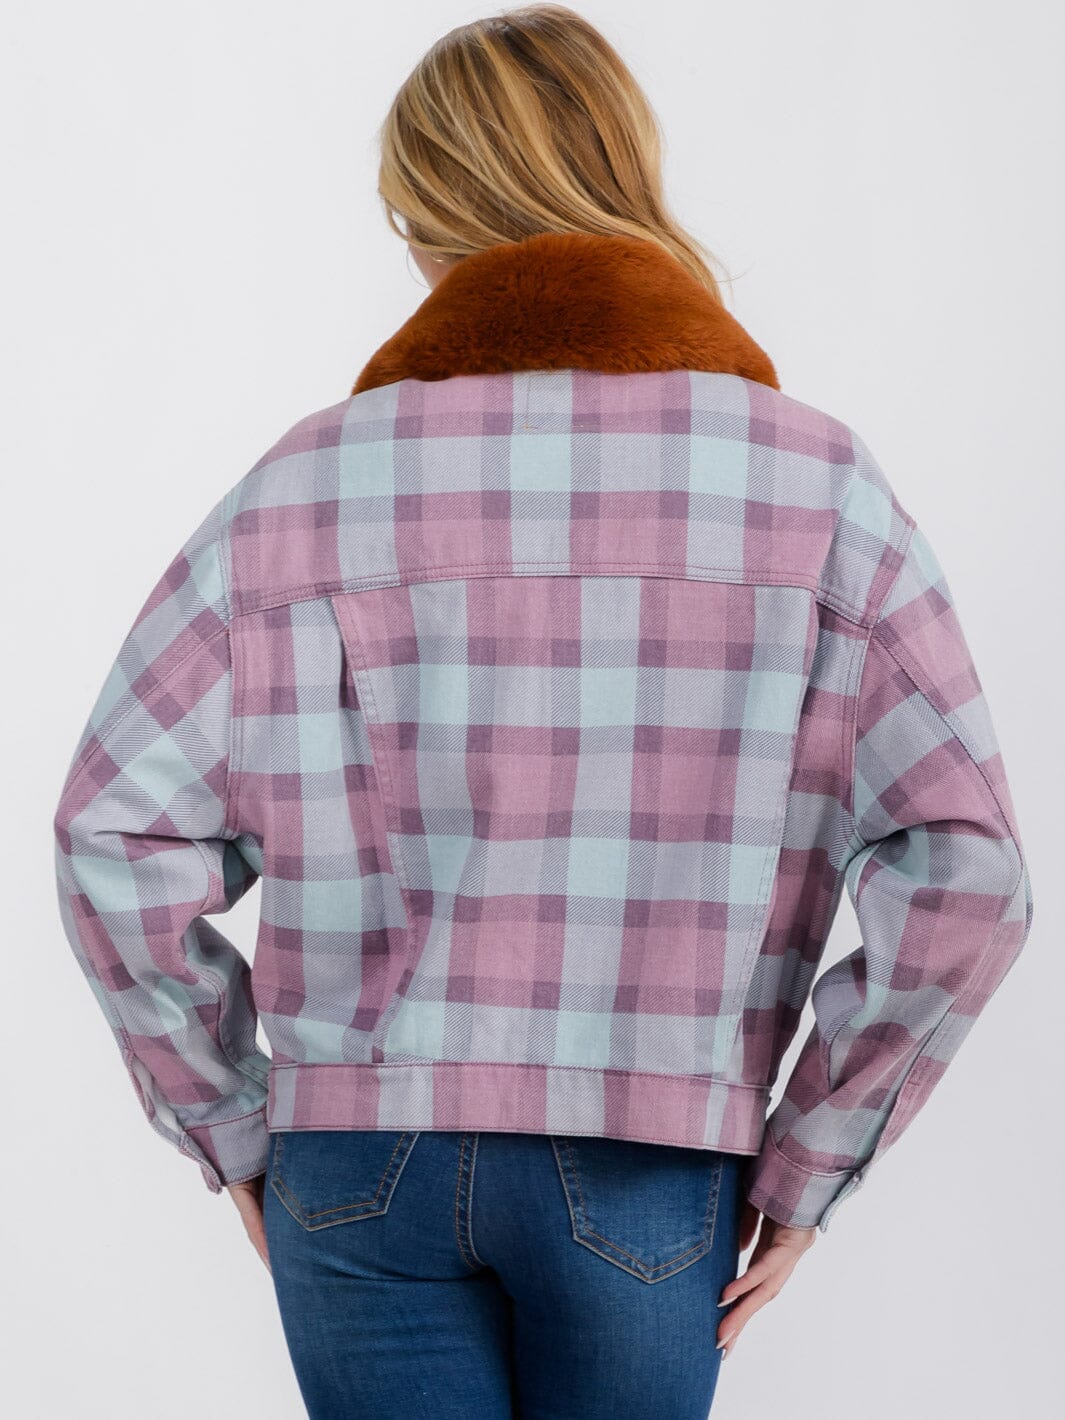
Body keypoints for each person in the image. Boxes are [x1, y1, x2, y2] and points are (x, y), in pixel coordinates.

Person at [52, 5, 1033, 1417]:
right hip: (647, 1165)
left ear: (425, 213)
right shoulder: (815, 489)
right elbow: (968, 869)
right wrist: (814, 1155)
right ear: (627, 172)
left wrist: (230, 1120)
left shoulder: (301, 489)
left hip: (356, 1164)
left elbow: (114, 832)